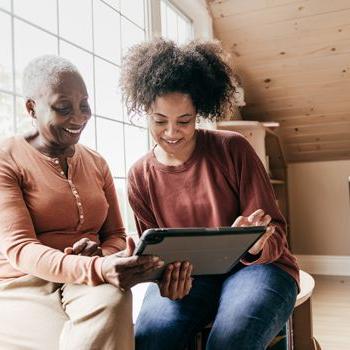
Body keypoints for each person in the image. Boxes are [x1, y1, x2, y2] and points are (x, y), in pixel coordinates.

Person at [120, 39, 300, 350]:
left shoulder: (232, 148)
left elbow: (276, 235)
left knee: (231, 340)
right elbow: (153, 255)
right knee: (150, 339)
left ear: (199, 112)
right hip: (190, 279)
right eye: (159, 121)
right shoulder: (140, 175)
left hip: (257, 269)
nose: (172, 132)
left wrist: (257, 245)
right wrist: (162, 277)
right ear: (145, 113)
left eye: (184, 121)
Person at [0, 55, 164, 350]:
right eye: (63, 108)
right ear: (31, 108)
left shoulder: (96, 162)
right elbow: (19, 248)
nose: (79, 117)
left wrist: (101, 253)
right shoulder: (6, 159)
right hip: (23, 281)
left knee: (115, 299)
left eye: (84, 105)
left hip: (85, 278)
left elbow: (115, 235)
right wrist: (96, 268)